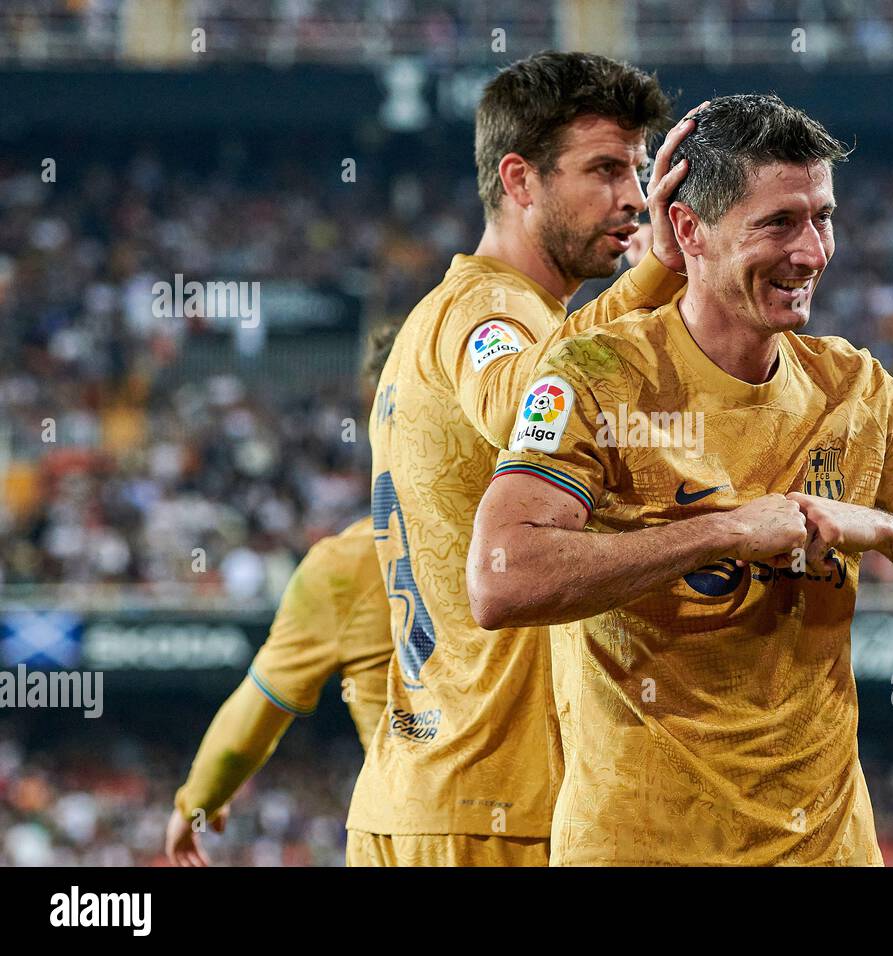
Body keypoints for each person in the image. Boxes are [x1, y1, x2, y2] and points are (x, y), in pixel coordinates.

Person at [467, 93, 893, 865]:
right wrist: (727, 531)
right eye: (778, 223)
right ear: (688, 231)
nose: (811, 251)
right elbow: (500, 579)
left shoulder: (856, 390)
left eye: (823, 217)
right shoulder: (599, 373)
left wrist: (881, 528)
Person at [345, 51, 703, 866]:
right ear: (520, 179)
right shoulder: (490, 314)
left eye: (640, 169)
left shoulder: (457, 314)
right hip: (491, 810)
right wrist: (655, 274)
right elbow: (525, 405)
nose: (636, 199)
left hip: (437, 797)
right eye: (605, 169)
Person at [165, 320, 401, 867]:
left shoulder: (348, 563)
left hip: (414, 839)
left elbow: (252, 719)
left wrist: (196, 802)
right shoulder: (555, 537)